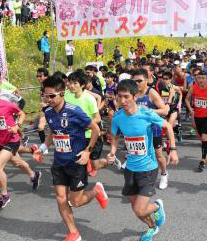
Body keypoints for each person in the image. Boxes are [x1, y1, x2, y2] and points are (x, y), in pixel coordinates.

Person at [35, 76, 109, 241]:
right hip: (59, 162)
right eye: (45, 96)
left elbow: (95, 129)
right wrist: (42, 148)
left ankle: (97, 191)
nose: (48, 99)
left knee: (75, 202)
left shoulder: (74, 111)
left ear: (62, 93)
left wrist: (88, 152)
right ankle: (74, 233)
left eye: (52, 96)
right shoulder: (47, 112)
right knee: (61, 198)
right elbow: (53, 134)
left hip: (76, 162)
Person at [107, 79, 179, 241]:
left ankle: (156, 206)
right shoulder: (118, 117)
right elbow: (115, 137)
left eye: (126, 97)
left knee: (140, 209)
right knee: (135, 207)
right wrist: (112, 152)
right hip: (130, 168)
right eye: (119, 97)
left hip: (148, 167)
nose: (122, 101)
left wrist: (172, 150)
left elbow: (167, 126)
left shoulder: (146, 114)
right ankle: (152, 227)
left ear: (135, 96)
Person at [132, 69, 170, 190]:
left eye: (139, 81)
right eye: (134, 81)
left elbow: (164, 110)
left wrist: (147, 111)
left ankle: (164, 174)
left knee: (158, 155)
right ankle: (143, 180)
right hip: (137, 131)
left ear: (147, 81)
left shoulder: (151, 92)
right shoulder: (131, 93)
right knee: (140, 155)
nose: (137, 83)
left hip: (153, 129)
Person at [186, 70, 207, 171]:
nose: (201, 80)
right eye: (199, 78)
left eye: (203, 78)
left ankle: (203, 160)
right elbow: (187, 99)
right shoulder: (193, 88)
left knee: (203, 138)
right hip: (197, 115)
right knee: (201, 136)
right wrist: (190, 109)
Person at [0, 98, 25, 208]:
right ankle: (34, 175)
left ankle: (5, 195)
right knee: (17, 162)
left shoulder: (7, 105)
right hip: (0, 141)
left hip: (11, 141)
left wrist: (17, 126)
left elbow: (22, 114)